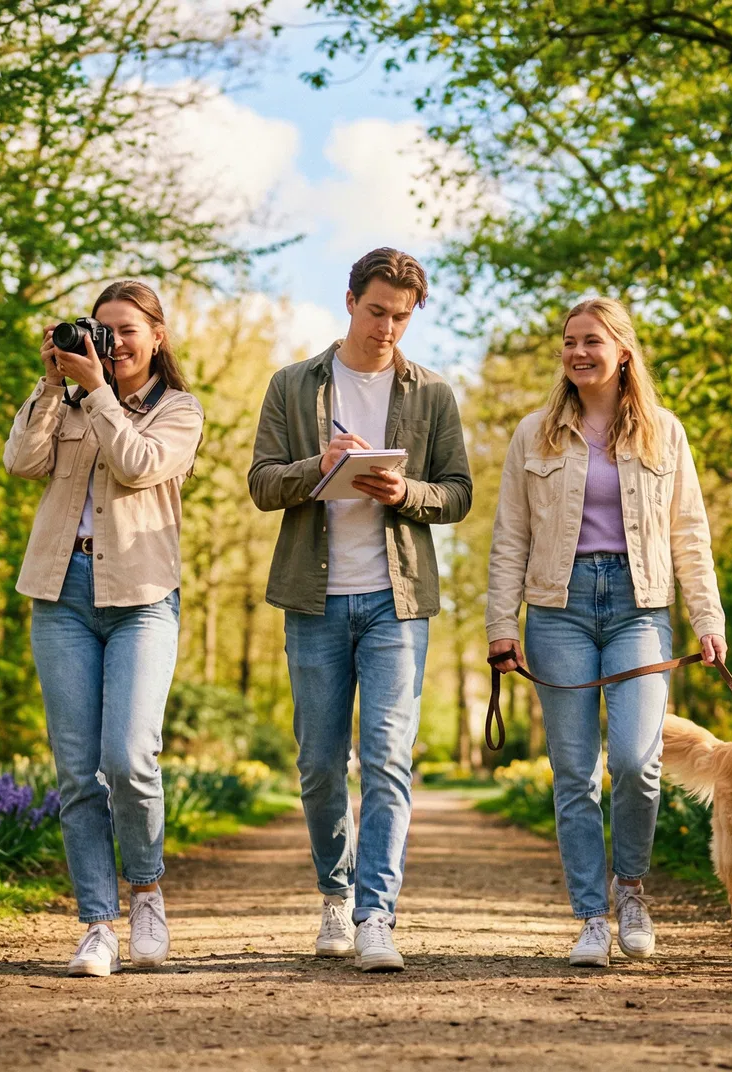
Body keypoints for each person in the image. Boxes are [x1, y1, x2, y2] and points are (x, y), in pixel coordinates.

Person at [484, 297, 727, 968]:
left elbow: (690, 534)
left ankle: (633, 891)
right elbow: (511, 537)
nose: (578, 352)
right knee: (572, 772)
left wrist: (708, 618)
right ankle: (591, 916)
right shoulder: (534, 434)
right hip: (557, 609)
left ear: (623, 351)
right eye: (569, 342)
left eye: (591, 340)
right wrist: (501, 626)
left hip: (639, 607)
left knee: (634, 760)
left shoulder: (663, 432)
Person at [248, 248, 472, 972]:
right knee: (318, 765)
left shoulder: (432, 394)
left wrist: (405, 494)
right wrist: (319, 470)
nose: (387, 329)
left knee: (386, 759)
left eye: (401, 318)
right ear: (349, 301)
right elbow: (260, 484)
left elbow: (458, 494)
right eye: (377, 312)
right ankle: (333, 896)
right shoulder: (293, 385)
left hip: (396, 603)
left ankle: (377, 914)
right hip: (312, 600)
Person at [4, 280, 204, 977]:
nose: (112, 343)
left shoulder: (179, 410)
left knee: (128, 759)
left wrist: (98, 394)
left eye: (126, 331)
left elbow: (138, 463)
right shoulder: (67, 396)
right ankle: (96, 923)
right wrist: (51, 382)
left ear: (157, 337)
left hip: (143, 597)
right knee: (77, 772)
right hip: (61, 591)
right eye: (102, 330)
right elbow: (22, 461)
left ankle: (145, 890)